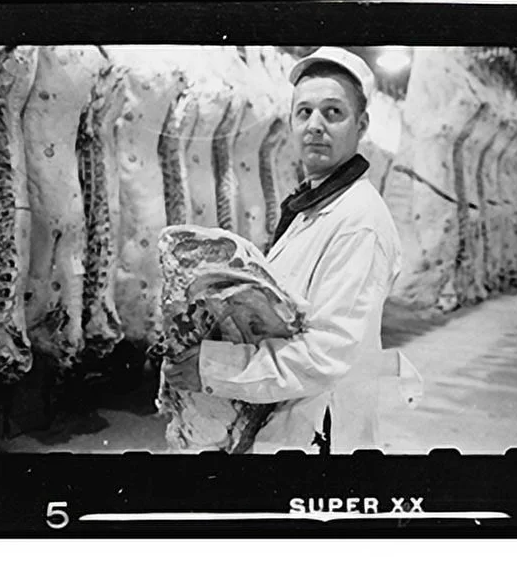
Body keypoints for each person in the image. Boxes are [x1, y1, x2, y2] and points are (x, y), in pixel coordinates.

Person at [163, 46, 421, 453]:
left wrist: (211, 368)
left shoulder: (359, 222)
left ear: (362, 125)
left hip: (320, 434)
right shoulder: (309, 207)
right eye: (305, 112)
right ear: (290, 122)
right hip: (286, 422)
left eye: (333, 113)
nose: (315, 126)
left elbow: (324, 356)